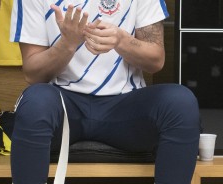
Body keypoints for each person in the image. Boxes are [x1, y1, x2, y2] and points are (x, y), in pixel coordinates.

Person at [10, 0, 201, 184]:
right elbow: (33, 74)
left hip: (125, 108)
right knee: (35, 100)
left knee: (181, 102)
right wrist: (67, 44)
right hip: (64, 107)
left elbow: (155, 60)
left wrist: (121, 40)